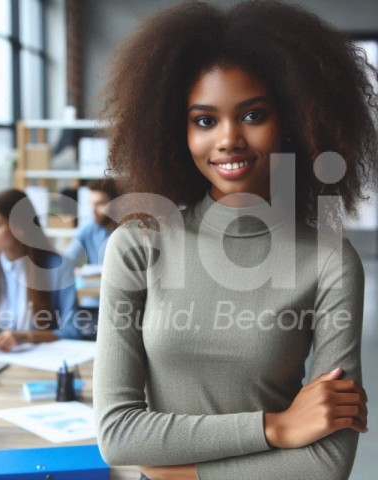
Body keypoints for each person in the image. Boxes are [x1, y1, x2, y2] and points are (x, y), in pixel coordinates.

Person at [93, 1, 377, 479]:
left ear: (293, 121)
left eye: (253, 115)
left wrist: (179, 473)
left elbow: (327, 464)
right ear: (175, 131)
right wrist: (277, 428)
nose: (228, 139)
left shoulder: (329, 261)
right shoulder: (138, 246)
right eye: (204, 120)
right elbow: (118, 435)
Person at [0, 188, 80, 351]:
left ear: (20, 228)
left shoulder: (59, 267)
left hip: (40, 359)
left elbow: (72, 331)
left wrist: (27, 337)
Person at [64, 178, 120, 266]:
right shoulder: (88, 230)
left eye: (100, 204)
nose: (93, 210)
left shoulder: (126, 232)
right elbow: (68, 258)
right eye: (92, 203)